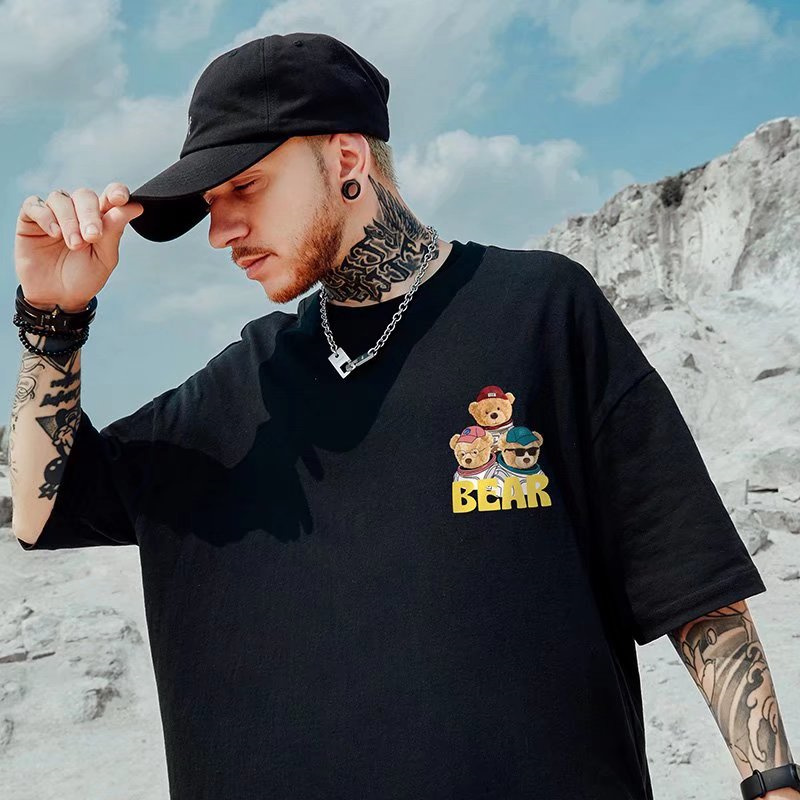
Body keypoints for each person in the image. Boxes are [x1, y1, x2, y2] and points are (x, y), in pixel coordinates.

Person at [9, 31, 799, 800]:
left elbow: (690, 576)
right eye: (211, 204)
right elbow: (42, 512)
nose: (221, 232)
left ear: (347, 161)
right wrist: (53, 320)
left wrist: (772, 784)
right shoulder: (239, 388)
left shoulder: (540, 312)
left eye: (244, 188)